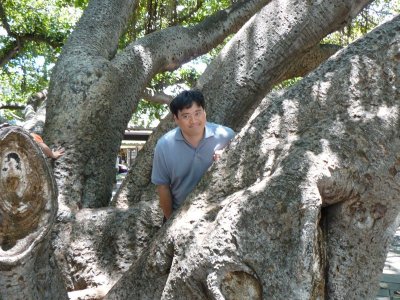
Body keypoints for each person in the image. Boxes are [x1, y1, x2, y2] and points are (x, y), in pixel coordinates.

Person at [151, 90, 235, 221]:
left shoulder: (226, 136)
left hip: (220, 213)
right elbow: (163, 187)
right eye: (186, 116)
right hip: (181, 215)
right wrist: (170, 221)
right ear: (176, 119)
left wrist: (228, 155)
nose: (194, 120)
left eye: (198, 113)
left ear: (205, 112)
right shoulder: (164, 145)